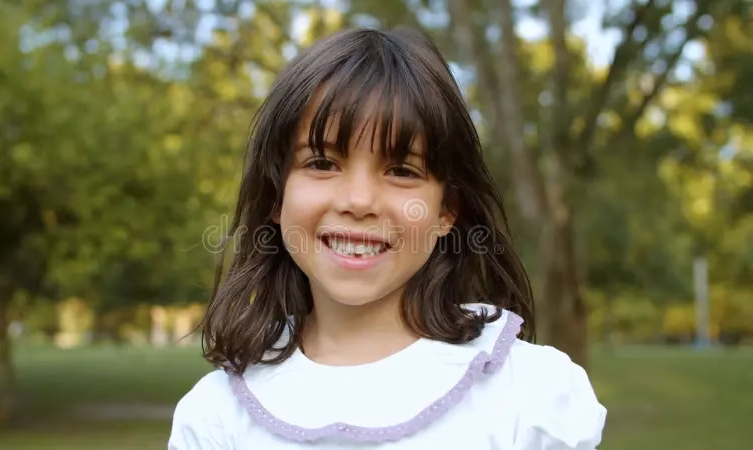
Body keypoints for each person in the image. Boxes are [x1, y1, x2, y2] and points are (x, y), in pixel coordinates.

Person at [168, 27, 607, 450]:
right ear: (276, 194)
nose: (359, 201)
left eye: (401, 171)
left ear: (447, 209)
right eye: (322, 162)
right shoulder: (217, 417)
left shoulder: (529, 394)